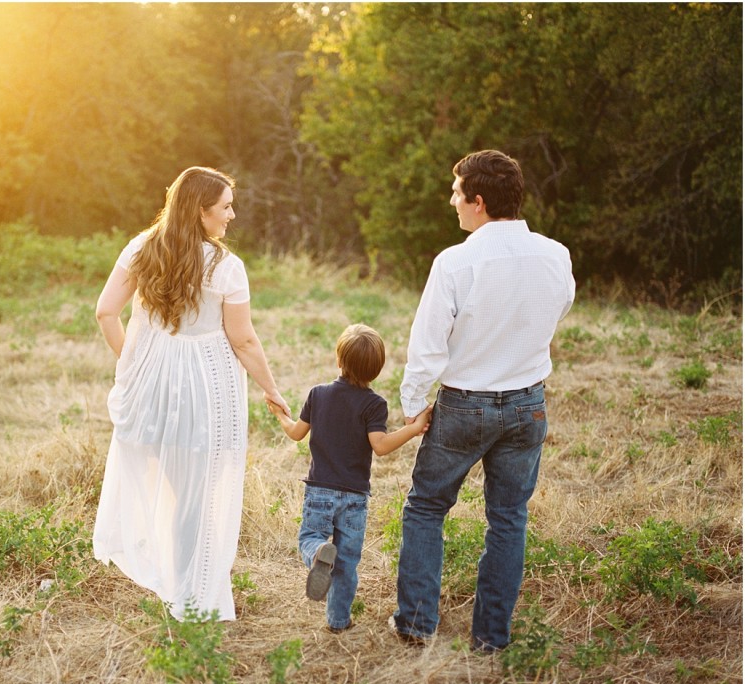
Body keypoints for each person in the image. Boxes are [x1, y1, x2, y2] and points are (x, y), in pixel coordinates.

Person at [391, 149, 576, 652]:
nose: (450, 202)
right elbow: (559, 307)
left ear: (477, 201)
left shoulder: (456, 261)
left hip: (465, 404)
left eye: (455, 194)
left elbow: (427, 344)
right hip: (527, 404)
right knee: (509, 518)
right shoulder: (556, 254)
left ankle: (416, 624)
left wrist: (413, 406)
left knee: (427, 507)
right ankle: (491, 637)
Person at [93, 167, 289, 623]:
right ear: (201, 212)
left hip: (151, 388)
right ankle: (189, 597)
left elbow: (106, 312)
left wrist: (134, 366)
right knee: (195, 493)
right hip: (207, 390)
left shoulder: (142, 247)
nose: (232, 215)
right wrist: (272, 389)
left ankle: (177, 587)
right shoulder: (226, 267)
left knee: (171, 484)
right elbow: (242, 341)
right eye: (224, 207)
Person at [267, 324, 431, 634]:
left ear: (339, 361)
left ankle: (317, 553)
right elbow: (380, 447)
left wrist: (279, 414)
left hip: (320, 491)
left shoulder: (318, 394)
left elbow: (296, 434)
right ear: (377, 370)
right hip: (355, 497)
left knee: (309, 538)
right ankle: (338, 621)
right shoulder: (374, 404)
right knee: (346, 564)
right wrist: (413, 429)